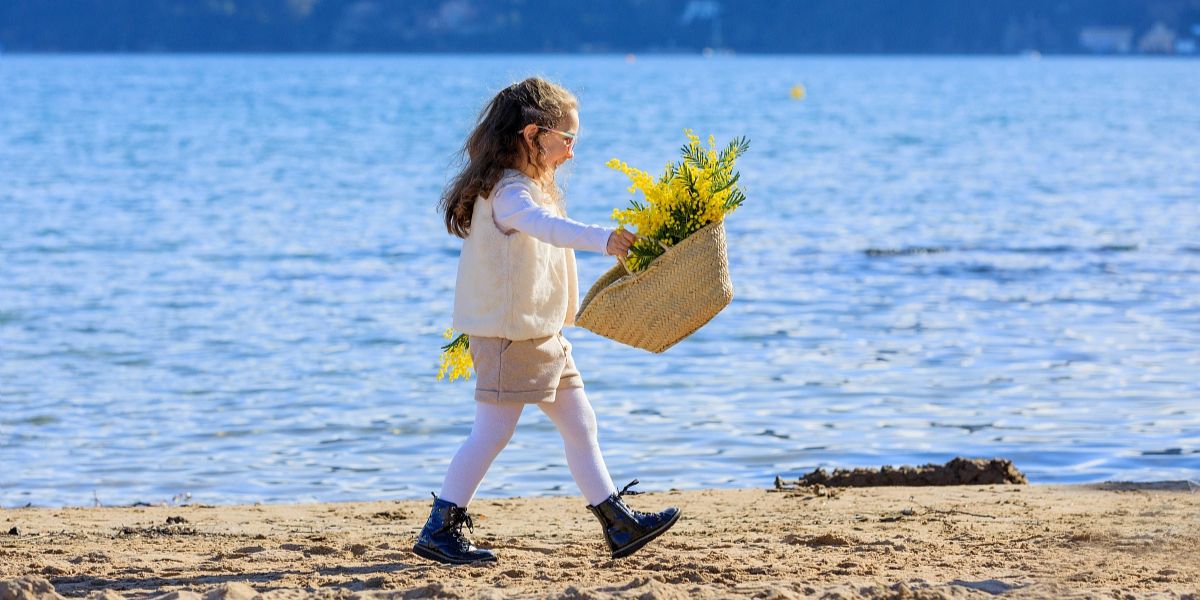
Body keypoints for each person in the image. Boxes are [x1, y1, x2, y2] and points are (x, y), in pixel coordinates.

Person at [413, 77, 681, 565]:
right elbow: (547, 229)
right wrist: (606, 240)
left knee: (580, 424)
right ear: (533, 135)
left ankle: (617, 525)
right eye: (567, 140)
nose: (572, 153)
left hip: (540, 334)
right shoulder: (511, 192)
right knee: (492, 432)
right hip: (508, 336)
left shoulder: (528, 187)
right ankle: (441, 527)